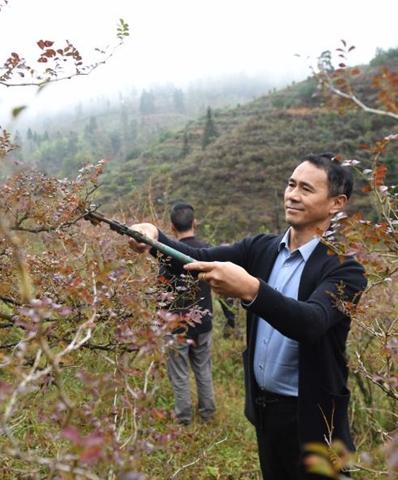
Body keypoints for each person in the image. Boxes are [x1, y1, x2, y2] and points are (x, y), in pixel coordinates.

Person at [128, 153, 367, 480]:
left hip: (314, 419)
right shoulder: (262, 249)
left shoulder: (344, 269)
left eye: (306, 189)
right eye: (290, 184)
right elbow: (197, 257)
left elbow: (310, 322)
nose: (293, 195)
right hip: (266, 413)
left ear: (336, 203)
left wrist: (252, 290)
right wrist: (154, 236)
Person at [158, 201, 216, 425]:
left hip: (176, 327)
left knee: (179, 373)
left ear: (172, 227)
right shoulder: (208, 251)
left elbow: (161, 292)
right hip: (203, 324)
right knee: (203, 370)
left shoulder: (167, 255)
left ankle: (183, 420)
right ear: (195, 222)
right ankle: (207, 415)